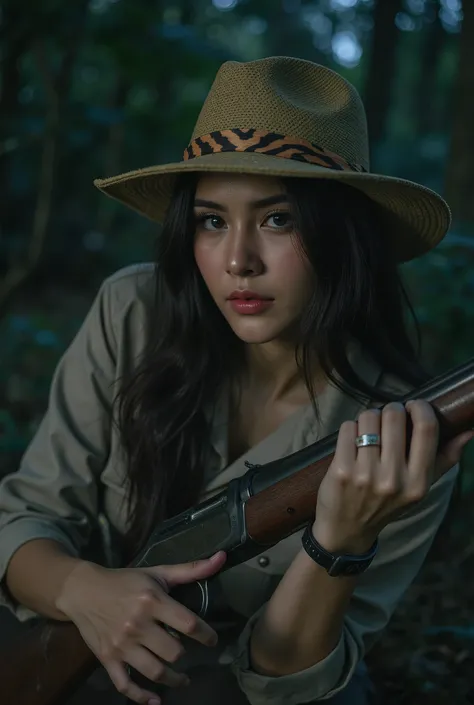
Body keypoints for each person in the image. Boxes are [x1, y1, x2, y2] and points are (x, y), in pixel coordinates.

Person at [0, 56, 472, 705]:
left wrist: (341, 540)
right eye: (212, 220)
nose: (237, 261)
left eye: (279, 219)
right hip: (76, 640)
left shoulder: (408, 432)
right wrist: (89, 590)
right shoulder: (131, 312)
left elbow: (292, 678)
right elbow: (26, 519)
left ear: (344, 234)